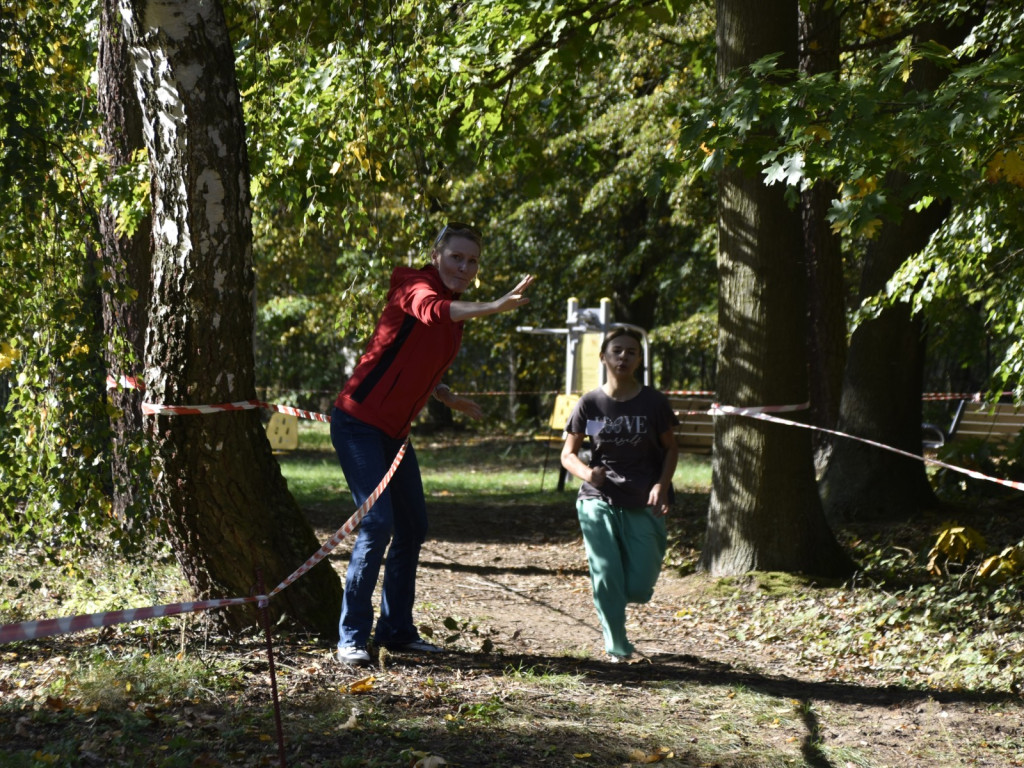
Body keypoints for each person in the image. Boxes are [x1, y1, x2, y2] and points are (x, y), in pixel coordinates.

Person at [331, 222, 534, 665]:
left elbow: (415, 355)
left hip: (395, 434)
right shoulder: (413, 285)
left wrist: (444, 394)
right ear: (437, 254)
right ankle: (351, 636)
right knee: (377, 524)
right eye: (456, 257)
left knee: (413, 527)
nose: (464, 266)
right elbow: (430, 312)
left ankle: (398, 630)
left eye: (472, 260)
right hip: (358, 423)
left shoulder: (455, 309)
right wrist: (497, 306)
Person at [560, 328, 679, 662]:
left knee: (641, 585)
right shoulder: (592, 403)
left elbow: (671, 449)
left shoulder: (653, 402)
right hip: (598, 497)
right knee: (606, 572)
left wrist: (661, 484)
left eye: (631, 352)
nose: (623, 357)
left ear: (639, 359)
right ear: (604, 357)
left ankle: (614, 601)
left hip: (645, 497)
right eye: (617, 351)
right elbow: (568, 454)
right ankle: (618, 648)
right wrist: (587, 474)